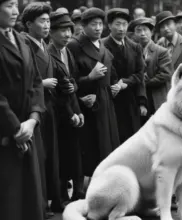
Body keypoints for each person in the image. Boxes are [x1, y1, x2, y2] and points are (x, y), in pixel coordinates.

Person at [0, 0, 45, 219]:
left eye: (16, 5)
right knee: (9, 199)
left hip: (27, 129)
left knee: (30, 197)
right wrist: (15, 128)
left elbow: (36, 82)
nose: (16, 11)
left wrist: (33, 119)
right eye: (9, 5)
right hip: (6, 132)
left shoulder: (20, 39)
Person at [67, 7, 121, 177]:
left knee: (108, 145)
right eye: (93, 24)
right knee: (91, 148)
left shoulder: (102, 45)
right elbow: (69, 79)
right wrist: (89, 77)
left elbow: (113, 73)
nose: (98, 28)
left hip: (106, 101)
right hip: (86, 103)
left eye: (100, 24)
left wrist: (116, 84)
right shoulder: (74, 45)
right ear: (83, 26)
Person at [21, 2, 60, 216]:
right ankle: (40, 203)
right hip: (32, 107)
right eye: (42, 21)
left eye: (48, 21)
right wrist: (41, 83)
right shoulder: (25, 44)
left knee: (50, 155)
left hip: (49, 107)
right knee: (39, 156)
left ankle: (50, 199)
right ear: (28, 24)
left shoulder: (44, 45)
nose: (47, 26)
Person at [47, 11, 85, 206]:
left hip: (72, 110)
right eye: (62, 30)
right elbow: (56, 90)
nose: (67, 34)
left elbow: (72, 83)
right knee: (60, 155)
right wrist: (71, 114)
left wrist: (78, 111)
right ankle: (60, 197)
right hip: (58, 114)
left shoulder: (67, 51)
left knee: (74, 153)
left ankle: (77, 193)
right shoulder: (48, 53)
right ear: (51, 33)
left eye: (69, 30)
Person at [102, 8, 147, 143]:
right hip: (111, 99)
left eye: (124, 24)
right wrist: (116, 85)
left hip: (130, 99)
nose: (121, 28)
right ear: (109, 25)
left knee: (132, 137)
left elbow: (140, 73)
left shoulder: (135, 46)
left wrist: (141, 102)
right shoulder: (101, 46)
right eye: (117, 24)